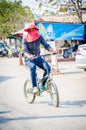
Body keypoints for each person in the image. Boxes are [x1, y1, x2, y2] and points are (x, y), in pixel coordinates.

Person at [22, 23, 54, 93]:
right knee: (33, 67)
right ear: (28, 31)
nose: (33, 31)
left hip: (38, 57)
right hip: (29, 59)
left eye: (34, 29)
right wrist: (29, 56)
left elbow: (46, 45)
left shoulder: (40, 37)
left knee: (48, 68)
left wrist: (51, 49)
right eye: (31, 30)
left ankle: (42, 85)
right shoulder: (25, 39)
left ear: (36, 30)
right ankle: (34, 87)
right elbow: (24, 51)